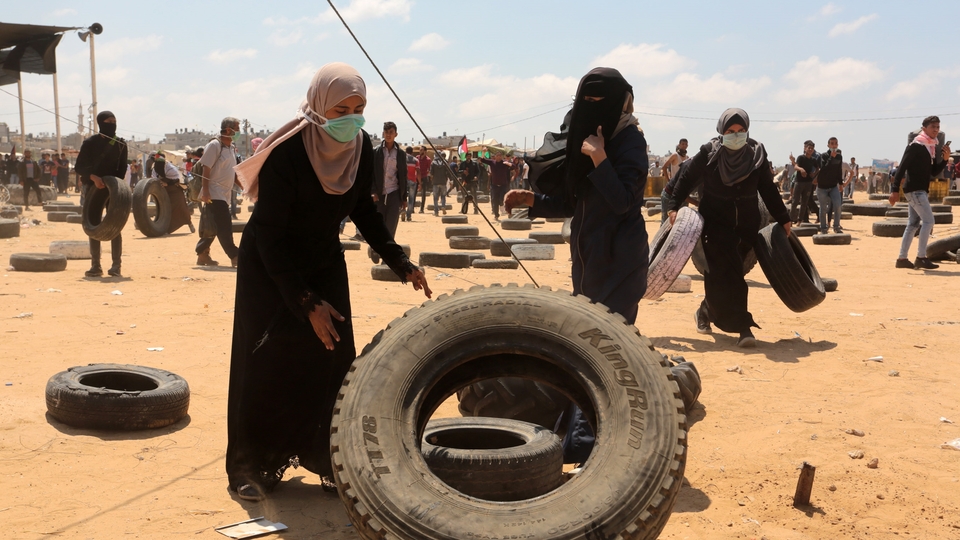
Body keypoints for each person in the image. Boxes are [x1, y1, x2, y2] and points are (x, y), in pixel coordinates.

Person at [229, 62, 431, 501]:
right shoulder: (287, 152)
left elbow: (363, 211)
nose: (352, 117)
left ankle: (326, 459)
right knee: (266, 362)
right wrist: (305, 302)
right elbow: (271, 236)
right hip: (271, 265)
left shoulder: (362, 148)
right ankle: (252, 465)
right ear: (319, 105)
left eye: (359, 108)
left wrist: (400, 261)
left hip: (322, 258)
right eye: (342, 108)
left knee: (332, 358)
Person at [504, 68, 650, 464]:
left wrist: (601, 159)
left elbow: (622, 202)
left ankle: (589, 450)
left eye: (603, 100)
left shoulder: (629, 141)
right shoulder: (589, 139)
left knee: (604, 351)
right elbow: (577, 202)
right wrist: (532, 200)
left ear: (623, 101)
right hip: (587, 264)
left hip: (620, 264)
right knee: (583, 348)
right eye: (588, 99)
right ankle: (573, 439)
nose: (592, 108)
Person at [667, 108, 791, 347]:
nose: (737, 135)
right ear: (721, 132)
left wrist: (783, 217)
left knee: (726, 274)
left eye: (741, 131)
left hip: (746, 223)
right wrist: (674, 206)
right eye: (731, 131)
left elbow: (767, 188)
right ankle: (744, 328)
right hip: (715, 223)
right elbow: (686, 178)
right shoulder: (709, 154)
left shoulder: (756, 155)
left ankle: (705, 311)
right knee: (729, 273)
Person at [891, 115, 951, 270]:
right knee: (929, 221)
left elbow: (933, 172)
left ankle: (902, 259)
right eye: (933, 127)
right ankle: (921, 257)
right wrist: (894, 190)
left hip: (920, 190)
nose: (936, 130)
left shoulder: (930, 147)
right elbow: (901, 168)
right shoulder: (916, 145)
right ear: (924, 128)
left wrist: (944, 159)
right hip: (915, 191)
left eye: (938, 127)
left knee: (912, 224)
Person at [75, 111, 128, 277]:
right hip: (93, 187)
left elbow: (122, 168)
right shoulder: (90, 142)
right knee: (93, 224)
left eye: (114, 121)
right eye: (109, 121)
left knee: (115, 225)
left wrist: (114, 186)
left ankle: (116, 266)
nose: (112, 124)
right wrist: (94, 178)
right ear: (100, 123)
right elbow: (80, 167)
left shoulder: (120, 144)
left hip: (113, 189)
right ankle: (95, 265)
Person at [196, 118, 243, 267]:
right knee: (224, 226)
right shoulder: (214, 145)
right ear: (228, 130)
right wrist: (206, 191)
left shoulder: (231, 148)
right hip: (214, 194)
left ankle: (202, 254)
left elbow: (233, 173)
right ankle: (235, 256)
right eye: (237, 128)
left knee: (212, 225)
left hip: (224, 194)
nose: (239, 131)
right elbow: (206, 169)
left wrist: (244, 187)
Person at [372, 121, 407, 237]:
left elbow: (403, 175)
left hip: (394, 193)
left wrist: (404, 198)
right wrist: (372, 191)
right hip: (379, 194)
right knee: (378, 225)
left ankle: (388, 253)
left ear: (396, 134)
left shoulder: (401, 154)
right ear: (383, 133)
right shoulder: (376, 152)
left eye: (391, 132)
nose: (388, 135)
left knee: (391, 225)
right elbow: (370, 172)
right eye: (386, 132)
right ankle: (375, 253)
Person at [151, 152, 195, 234]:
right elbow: (154, 179)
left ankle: (189, 223)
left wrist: (167, 184)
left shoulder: (171, 168)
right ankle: (167, 229)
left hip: (175, 190)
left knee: (182, 208)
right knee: (167, 210)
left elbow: (177, 180)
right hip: (165, 192)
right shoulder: (154, 169)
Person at [816, 137, 845, 234]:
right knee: (823, 208)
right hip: (822, 187)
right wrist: (831, 157)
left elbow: (838, 171)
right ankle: (823, 228)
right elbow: (823, 170)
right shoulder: (823, 156)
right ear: (828, 145)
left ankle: (836, 226)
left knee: (838, 206)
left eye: (835, 143)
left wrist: (840, 184)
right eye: (832, 143)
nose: (834, 145)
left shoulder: (839, 157)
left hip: (833, 186)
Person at [479, 150, 515, 220]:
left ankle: (504, 208)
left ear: (502, 157)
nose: (499, 157)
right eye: (497, 156)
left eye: (500, 156)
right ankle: (496, 215)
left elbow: (514, 166)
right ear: (495, 157)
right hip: (494, 185)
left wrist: (509, 164)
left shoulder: (504, 163)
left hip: (503, 185)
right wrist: (483, 152)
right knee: (494, 200)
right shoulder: (492, 162)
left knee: (502, 198)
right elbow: (482, 160)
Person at [789, 141, 818, 223]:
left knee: (804, 202)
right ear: (805, 149)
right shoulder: (801, 158)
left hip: (808, 183)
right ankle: (791, 220)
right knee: (795, 201)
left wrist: (814, 174)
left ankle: (800, 220)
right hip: (799, 182)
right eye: (809, 148)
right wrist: (801, 169)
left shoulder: (813, 160)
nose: (810, 150)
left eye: (812, 148)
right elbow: (796, 166)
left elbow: (818, 168)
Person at [429, 150, 449, 215]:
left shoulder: (433, 162)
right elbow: (448, 172)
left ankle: (436, 211)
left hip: (435, 182)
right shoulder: (445, 162)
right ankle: (443, 206)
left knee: (435, 197)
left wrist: (431, 179)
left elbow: (431, 174)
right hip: (443, 182)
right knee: (443, 196)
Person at [403, 146, 419, 222]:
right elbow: (418, 172)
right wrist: (420, 183)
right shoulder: (416, 160)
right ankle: (408, 216)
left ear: (406, 151)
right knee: (411, 198)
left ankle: (403, 210)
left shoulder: (402, 159)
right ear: (412, 152)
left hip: (403, 181)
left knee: (402, 197)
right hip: (413, 181)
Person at [416, 146, 431, 213]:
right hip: (416, 177)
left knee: (423, 193)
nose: (420, 151)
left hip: (424, 177)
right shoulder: (417, 158)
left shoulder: (428, 160)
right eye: (420, 150)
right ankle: (412, 208)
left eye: (422, 150)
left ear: (425, 151)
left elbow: (429, 169)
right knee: (414, 193)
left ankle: (422, 209)